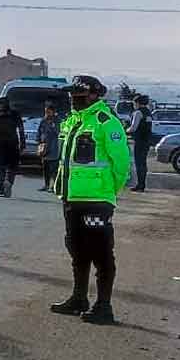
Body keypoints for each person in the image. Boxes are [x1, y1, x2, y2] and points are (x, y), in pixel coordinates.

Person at [50, 75, 130, 324]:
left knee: (101, 252)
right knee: (77, 250)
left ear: (95, 95)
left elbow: (122, 165)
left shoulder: (106, 122)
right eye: (72, 94)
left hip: (96, 200)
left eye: (80, 95)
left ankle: (104, 306)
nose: (74, 99)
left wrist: (107, 192)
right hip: (71, 197)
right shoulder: (72, 121)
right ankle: (78, 299)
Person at [0, 97, 25, 197]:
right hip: (13, 144)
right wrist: (22, 144)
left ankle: (1, 190)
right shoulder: (15, 114)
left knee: (1, 167)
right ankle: (9, 181)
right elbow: (21, 130)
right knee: (12, 167)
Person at [126, 94, 152, 192]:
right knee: (143, 163)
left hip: (140, 141)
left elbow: (133, 128)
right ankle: (142, 184)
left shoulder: (138, 113)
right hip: (147, 141)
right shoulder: (148, 112)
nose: (133, 105)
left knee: (139, 163)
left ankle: (140, 185)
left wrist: (125, 130)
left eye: (134, 103)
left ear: (137, 103)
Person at [36, 103, 60, 191]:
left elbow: (58, 132)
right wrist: (38, 141)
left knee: (54, 168)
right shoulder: (43, 121)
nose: (47, 114)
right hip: (44, 147)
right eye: (46, 112)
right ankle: (46, 185)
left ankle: (54, 186)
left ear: (53, 112)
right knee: (45, 168)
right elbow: (39, 131)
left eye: (48, 112)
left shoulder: (57, 121)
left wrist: (52, 126)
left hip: (53, 147)